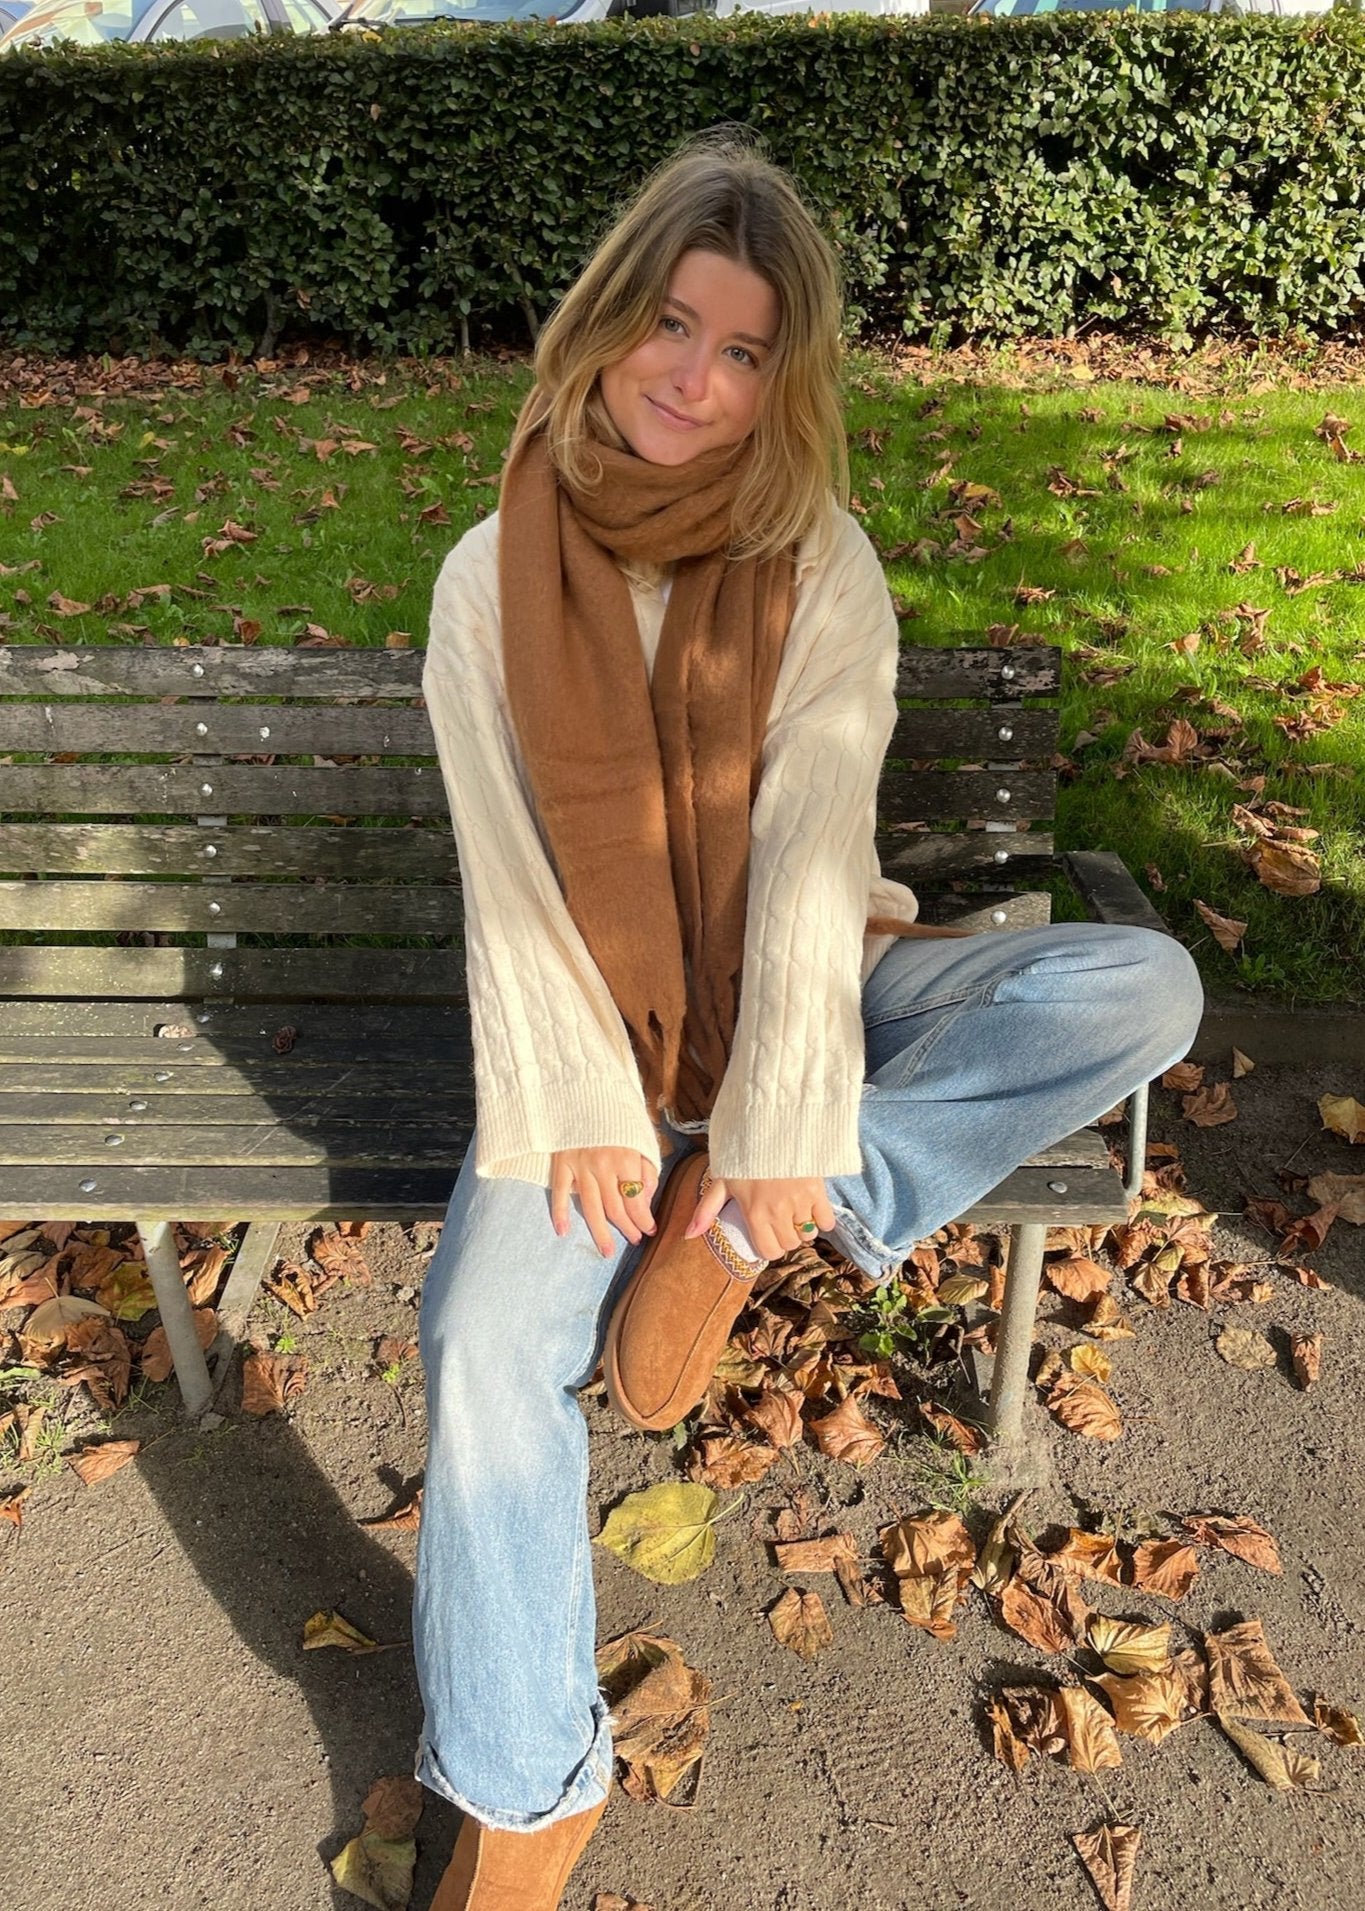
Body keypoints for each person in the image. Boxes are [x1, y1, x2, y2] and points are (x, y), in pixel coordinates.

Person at [412, 131, 1204, 1911]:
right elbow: (509, 876)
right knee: (477, 1339)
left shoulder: (815, 559)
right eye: (669, 325)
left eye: (743, 350)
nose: (693, 378)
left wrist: (777, 1137)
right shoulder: (488, 574)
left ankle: (789, 1207)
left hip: (815, 992)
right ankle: (525, 1795)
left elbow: (805, 854)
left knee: (1140, 983)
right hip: (588, 1040)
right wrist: (589, 1108)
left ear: (785, 377)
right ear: (605, 318)